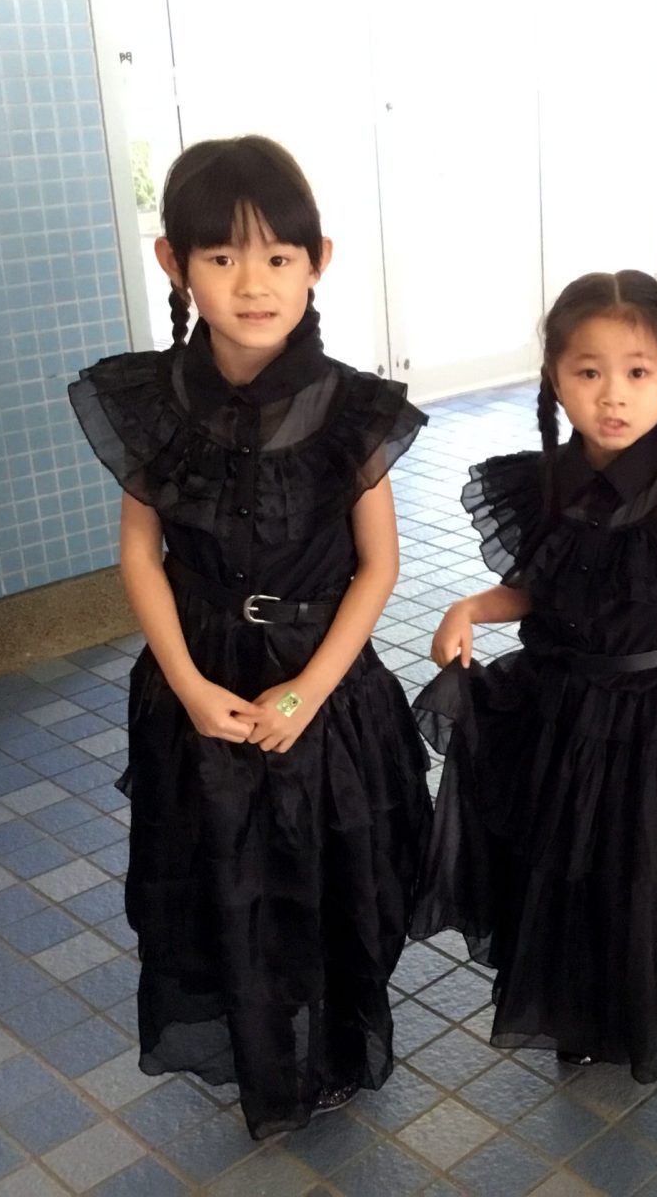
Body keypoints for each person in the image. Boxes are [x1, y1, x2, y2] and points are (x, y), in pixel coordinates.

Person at [67, 136, 432, 1138]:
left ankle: (332, 1049)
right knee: (220, 874)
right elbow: (140, 557)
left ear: (318, 262)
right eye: (222, 257)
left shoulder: (352, 408)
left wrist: (309, 690)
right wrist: (187, 685)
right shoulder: (154, 402)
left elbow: (379, 566)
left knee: (330, 871)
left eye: (278, 256)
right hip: (198, 684)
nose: (253, 283)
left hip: (324, 687)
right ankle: (260, 1055)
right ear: (174, 263)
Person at [411, 270, 657, 1100]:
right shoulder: (540, 483)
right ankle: (590, 1006)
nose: (613, 394)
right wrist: (471, 607)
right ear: (555, 378)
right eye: (588, 371)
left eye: (637, 371)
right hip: (561, 708)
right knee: (571, 868)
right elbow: (535, 589)